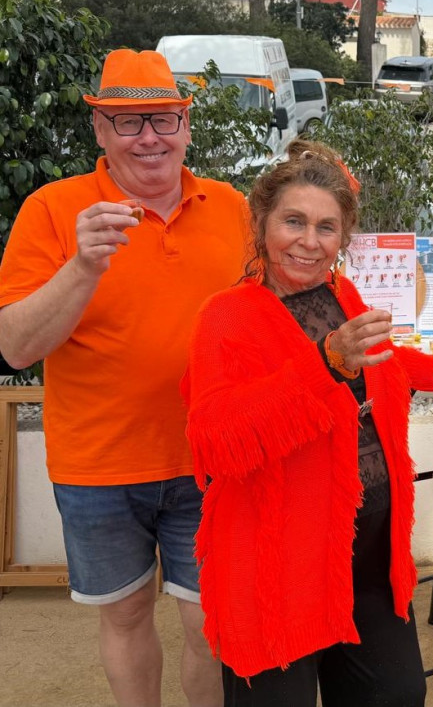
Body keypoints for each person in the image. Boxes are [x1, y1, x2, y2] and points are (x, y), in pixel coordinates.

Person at [181, 139, 433, 706]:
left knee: (396, 694)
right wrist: (325, 364)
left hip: (369, 554)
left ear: (343, 238)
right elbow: (215, 440)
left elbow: (377, 359)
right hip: (278, 566)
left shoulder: (341, 293)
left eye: (326, 227)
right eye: (293, 221)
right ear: (261, 223)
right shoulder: (225, 317)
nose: (309, 241)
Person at [0, 49, 248, 706]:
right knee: (127, 615)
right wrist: (82, 267)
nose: (148, 137)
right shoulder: (52, 209)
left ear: (186, 126)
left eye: (163, 119)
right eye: (127, 121)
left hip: (210, 458)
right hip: (98, 464)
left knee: (212, 625)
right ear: (99, 130)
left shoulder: (231, 208)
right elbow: (16, 347)